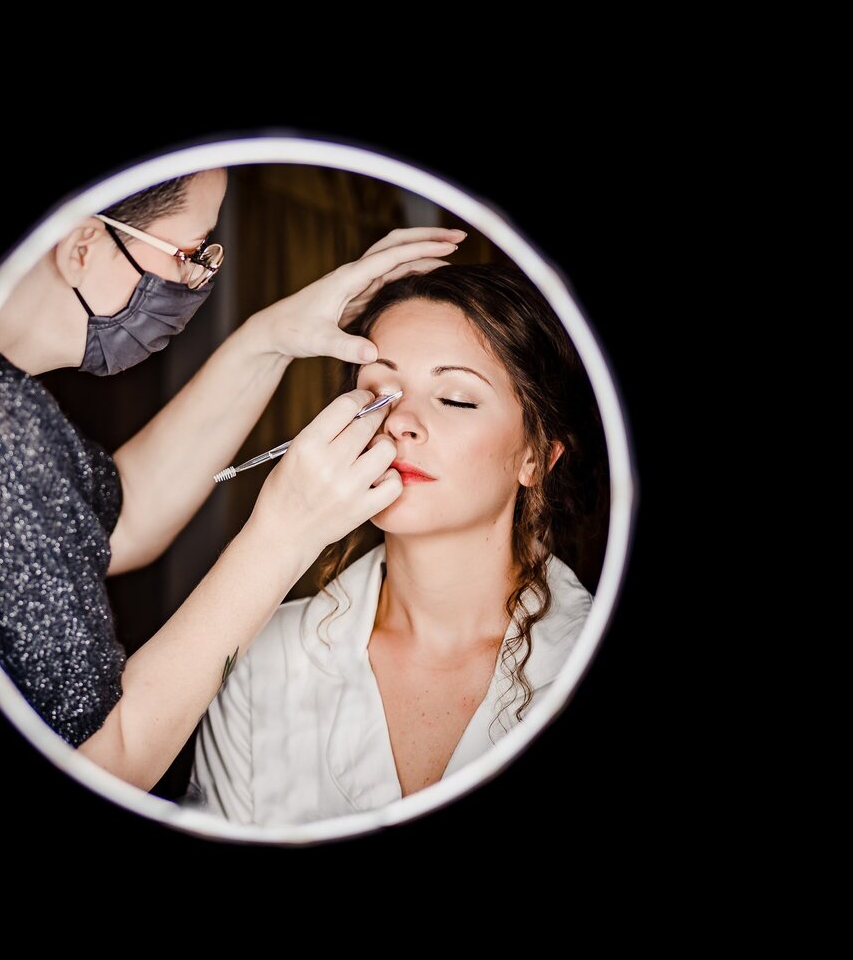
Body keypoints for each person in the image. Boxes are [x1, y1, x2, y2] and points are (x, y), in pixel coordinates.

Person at [0, 167, 463, 790]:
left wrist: (270, 339)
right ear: (83, 246)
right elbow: (101, 762)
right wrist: (284, 533)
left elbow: (118, 515)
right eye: (189, 253)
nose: (195, 280)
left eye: (458, 398)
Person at [186, 264, 599, 824]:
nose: (399, 420)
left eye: (455, 398)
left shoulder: (583, 651)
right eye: (378, 393)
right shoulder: (263, 659)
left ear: (536, 458)